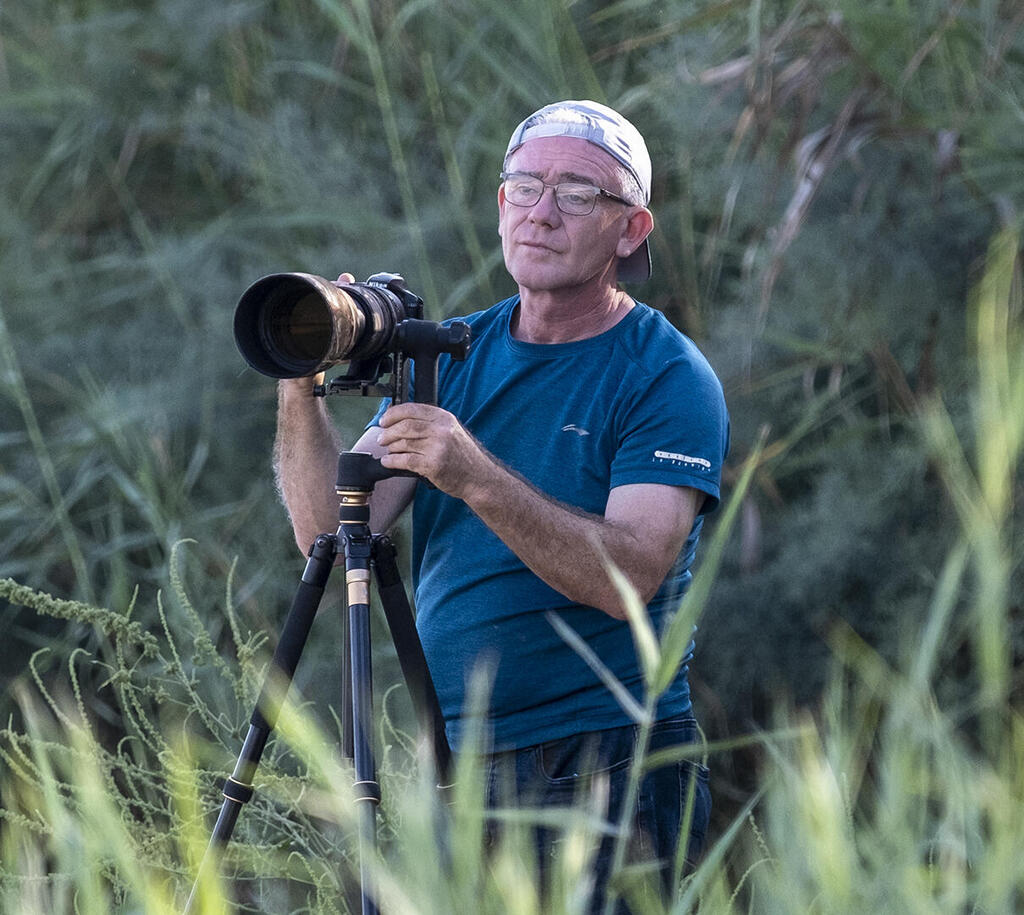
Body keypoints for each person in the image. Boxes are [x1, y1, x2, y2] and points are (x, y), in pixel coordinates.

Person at [274, 100, 730, 906]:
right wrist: (298, 388)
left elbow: (628, 575)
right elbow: (329, 531)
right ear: (500, 205)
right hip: (456, 761)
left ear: (631, 230)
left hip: (606, 759)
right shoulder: (453, 353)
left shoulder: (666, 375)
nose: (543, 213)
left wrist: (474, 473)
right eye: (525, 187)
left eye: (578, 195)